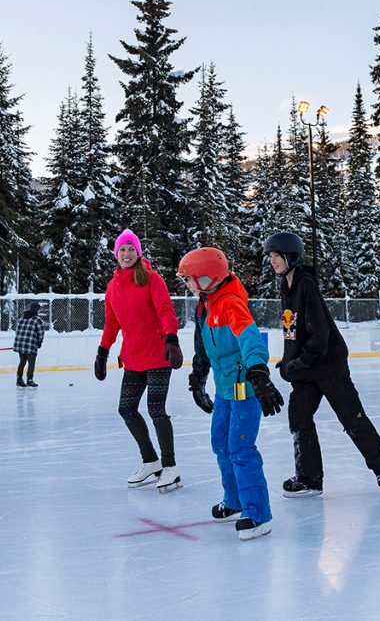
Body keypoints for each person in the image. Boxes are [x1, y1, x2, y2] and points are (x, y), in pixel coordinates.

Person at [264, 232, 380, 497]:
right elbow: (293, 329)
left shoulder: (306, 284)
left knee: (351, 417)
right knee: (299, 418)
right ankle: (310, 478)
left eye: (277, 255)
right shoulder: (286, 286)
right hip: (304, 368)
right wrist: (288, 361)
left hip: (328, 365)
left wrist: (300, 362)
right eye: (270, 256)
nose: (273, 261)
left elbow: (320, 333)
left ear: (291, 256)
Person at [178, 246, 284, 541]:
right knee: (220, 444)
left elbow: (250, 338)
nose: (186, 285)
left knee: (241, 448)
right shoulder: (205, 304)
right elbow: (203, 348)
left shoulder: (229, 303)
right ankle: (235, 500)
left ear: (207, 278)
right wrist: (197, 379)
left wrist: (259, 374)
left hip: (246, 389)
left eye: (189, 279)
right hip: (225, 389)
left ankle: (258, 513)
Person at [94, 229, 185, 494]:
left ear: (138, 252)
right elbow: (112, 323)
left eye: (131, 249)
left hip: (158, 355)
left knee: (156, 409)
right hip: (133, 358)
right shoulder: (112, 287)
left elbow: (166, 310)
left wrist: (172, 339)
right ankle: (151, 461)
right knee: (126, 409)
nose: (126, 254)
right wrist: (102, 351)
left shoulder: (153, 279)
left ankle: (170, 467)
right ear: (116, 253)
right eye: (122, 249)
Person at [13, 301, 45, 388]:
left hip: (20, 344)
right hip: (31, 345)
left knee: (22, 362)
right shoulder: (37, 320)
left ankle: (19, 379)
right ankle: (29, 380)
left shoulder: (21, 319)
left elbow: (18, 331)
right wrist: (39, 342)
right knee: (31, 363)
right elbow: (41, 333)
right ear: (37, 310)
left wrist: (20, 343)